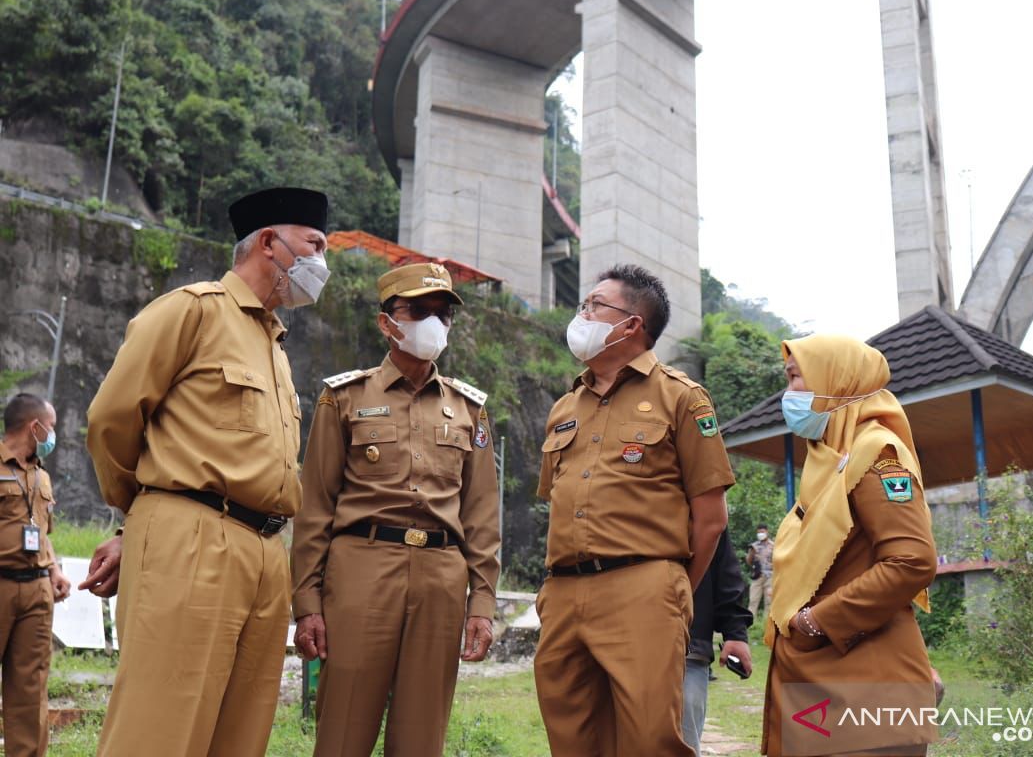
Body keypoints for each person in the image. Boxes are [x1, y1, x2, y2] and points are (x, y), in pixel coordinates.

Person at [81, 187, 330, 757]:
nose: (323, 265)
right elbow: (111, 420)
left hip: (267, 553)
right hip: (194, 541)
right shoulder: (192, 311)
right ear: (270, 242)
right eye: (314, 246)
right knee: (160, 726)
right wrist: (142, 516)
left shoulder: (276, 346)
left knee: (241, 732)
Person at [291, 262, 500, 757]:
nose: (434, 322)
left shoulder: (470, 409)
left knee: (421, 735)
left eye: (443, 313)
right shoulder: (342, 398)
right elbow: (315, 507)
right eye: (419, 310)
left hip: (441, 578)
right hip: (361, 568)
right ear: (387, 322)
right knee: (343, 728)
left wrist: (483, 606)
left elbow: (482, 517)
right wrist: (307, 604)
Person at [533, 264, 735, 757]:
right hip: (562, 591)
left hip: (643, 586)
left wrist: (673, 589)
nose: (582, 314)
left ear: (631, 324)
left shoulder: (682, 398)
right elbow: (556, 503)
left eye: (594, 305)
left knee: (649, 741)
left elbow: (710, 518)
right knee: (572, 738)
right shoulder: (565, 408)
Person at [761, 334, 938, 757]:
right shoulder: (830, 459)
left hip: (863, 689)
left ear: (833, 380)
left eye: (794, 378)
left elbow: (911, 560)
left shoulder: (877, 455)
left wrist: (816, 621)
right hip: (824, 680)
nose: (788, 395)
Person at [0, 394, 71, 757]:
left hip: (37, 591)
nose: (53, 435)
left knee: (30, 688)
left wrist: (55, 570)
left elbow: (41, 531)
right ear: (35, 426)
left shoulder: (41, 475)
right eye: (52, 427)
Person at [683, 528, 753, 757]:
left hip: (687, 645)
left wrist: (735, 633)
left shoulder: (694, 500)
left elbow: (722, 564)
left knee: (683, 737)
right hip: (608, 643)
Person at [746, 522, 774, 620]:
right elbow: (749, 562)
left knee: (769, 601)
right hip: (757, 576)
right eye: (759, 532)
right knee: (753, 600)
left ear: (767, 532)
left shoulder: (773, 545)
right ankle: (750, 624)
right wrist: (752, 553)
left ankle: (766, 625)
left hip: (770, 577)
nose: (760, 534)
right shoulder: (754, 546)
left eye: (762, 532)